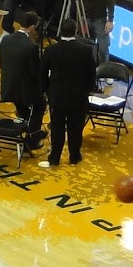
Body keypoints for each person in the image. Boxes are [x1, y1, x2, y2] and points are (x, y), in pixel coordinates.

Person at [40, 16, 97, 167]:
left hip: (57, 96)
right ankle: (74, 156)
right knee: (76, 128)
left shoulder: (51, 50)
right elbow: (92, 74)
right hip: (78, 97)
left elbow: (42, 73)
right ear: (76, 31)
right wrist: (87, 91)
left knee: (57, 127)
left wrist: (47, 90)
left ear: (60, 31)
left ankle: (54, 158)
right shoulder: (85, 50)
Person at [0, 12, 43, 138]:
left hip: (7, 88)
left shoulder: (5, 40)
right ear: (33, 27)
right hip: (24, 92)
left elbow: (1, 64)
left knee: (23, 106)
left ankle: (24, 119)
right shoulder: (31, 46)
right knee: (41, 103)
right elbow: (35, 73)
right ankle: (33, 136)